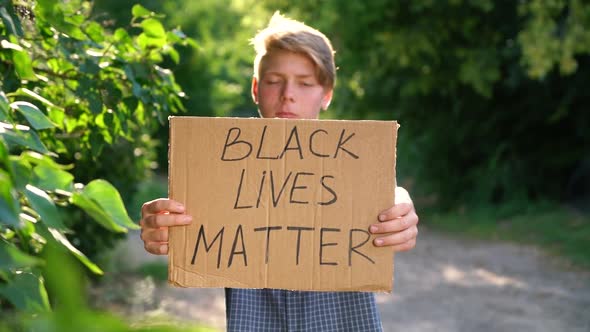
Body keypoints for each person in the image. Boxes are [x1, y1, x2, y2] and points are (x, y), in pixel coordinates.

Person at [140, 12, 419, 331]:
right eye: (274, 81)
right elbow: (190, 211)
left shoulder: (352, 161)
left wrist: (400, 207)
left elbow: (385, 193)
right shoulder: (225, 161)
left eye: (305, 83)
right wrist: (163, 227)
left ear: (326, 93)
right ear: (256, 88)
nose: (288, 94)